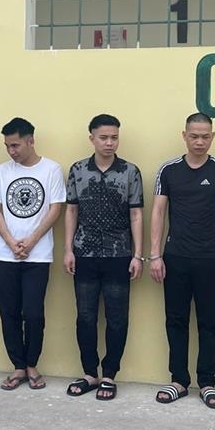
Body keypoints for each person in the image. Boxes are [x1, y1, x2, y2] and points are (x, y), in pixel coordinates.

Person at [149, 112, 215, 409]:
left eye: (205, 136)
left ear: (212, 137)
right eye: (194, 136)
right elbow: (158, 212)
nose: (199, 141)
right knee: (175, 320)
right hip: (175, 257)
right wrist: (155, 255)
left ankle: (207, 383)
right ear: (184, 136)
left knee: (208, 322)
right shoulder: (168, 170)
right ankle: (178, 380)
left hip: (211, 259)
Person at [63, 114, 144, 401]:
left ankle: (109, 374)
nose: (109, 143)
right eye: (104, 137)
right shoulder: (77, 170)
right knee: (85, 316)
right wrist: (68, 249)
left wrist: (138, 255)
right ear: (92, 138)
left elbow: (136, 214)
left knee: (117, 318)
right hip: (84, 252)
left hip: (119, 253)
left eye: (114, 138)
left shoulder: (130, 172)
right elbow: (71, 210)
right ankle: (89, 373)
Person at [0, 117, 65, 391]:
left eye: (16, 145)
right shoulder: (2, 171)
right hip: (5, 255)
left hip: (38, 256)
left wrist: (31, 242)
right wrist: (11, 242)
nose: (11, 151)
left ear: (31, 141)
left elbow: (55, 209)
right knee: (8, 312)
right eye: (7, 146)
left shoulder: (51, 169)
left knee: (33, 314)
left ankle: (32, 364)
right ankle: (18, 366)